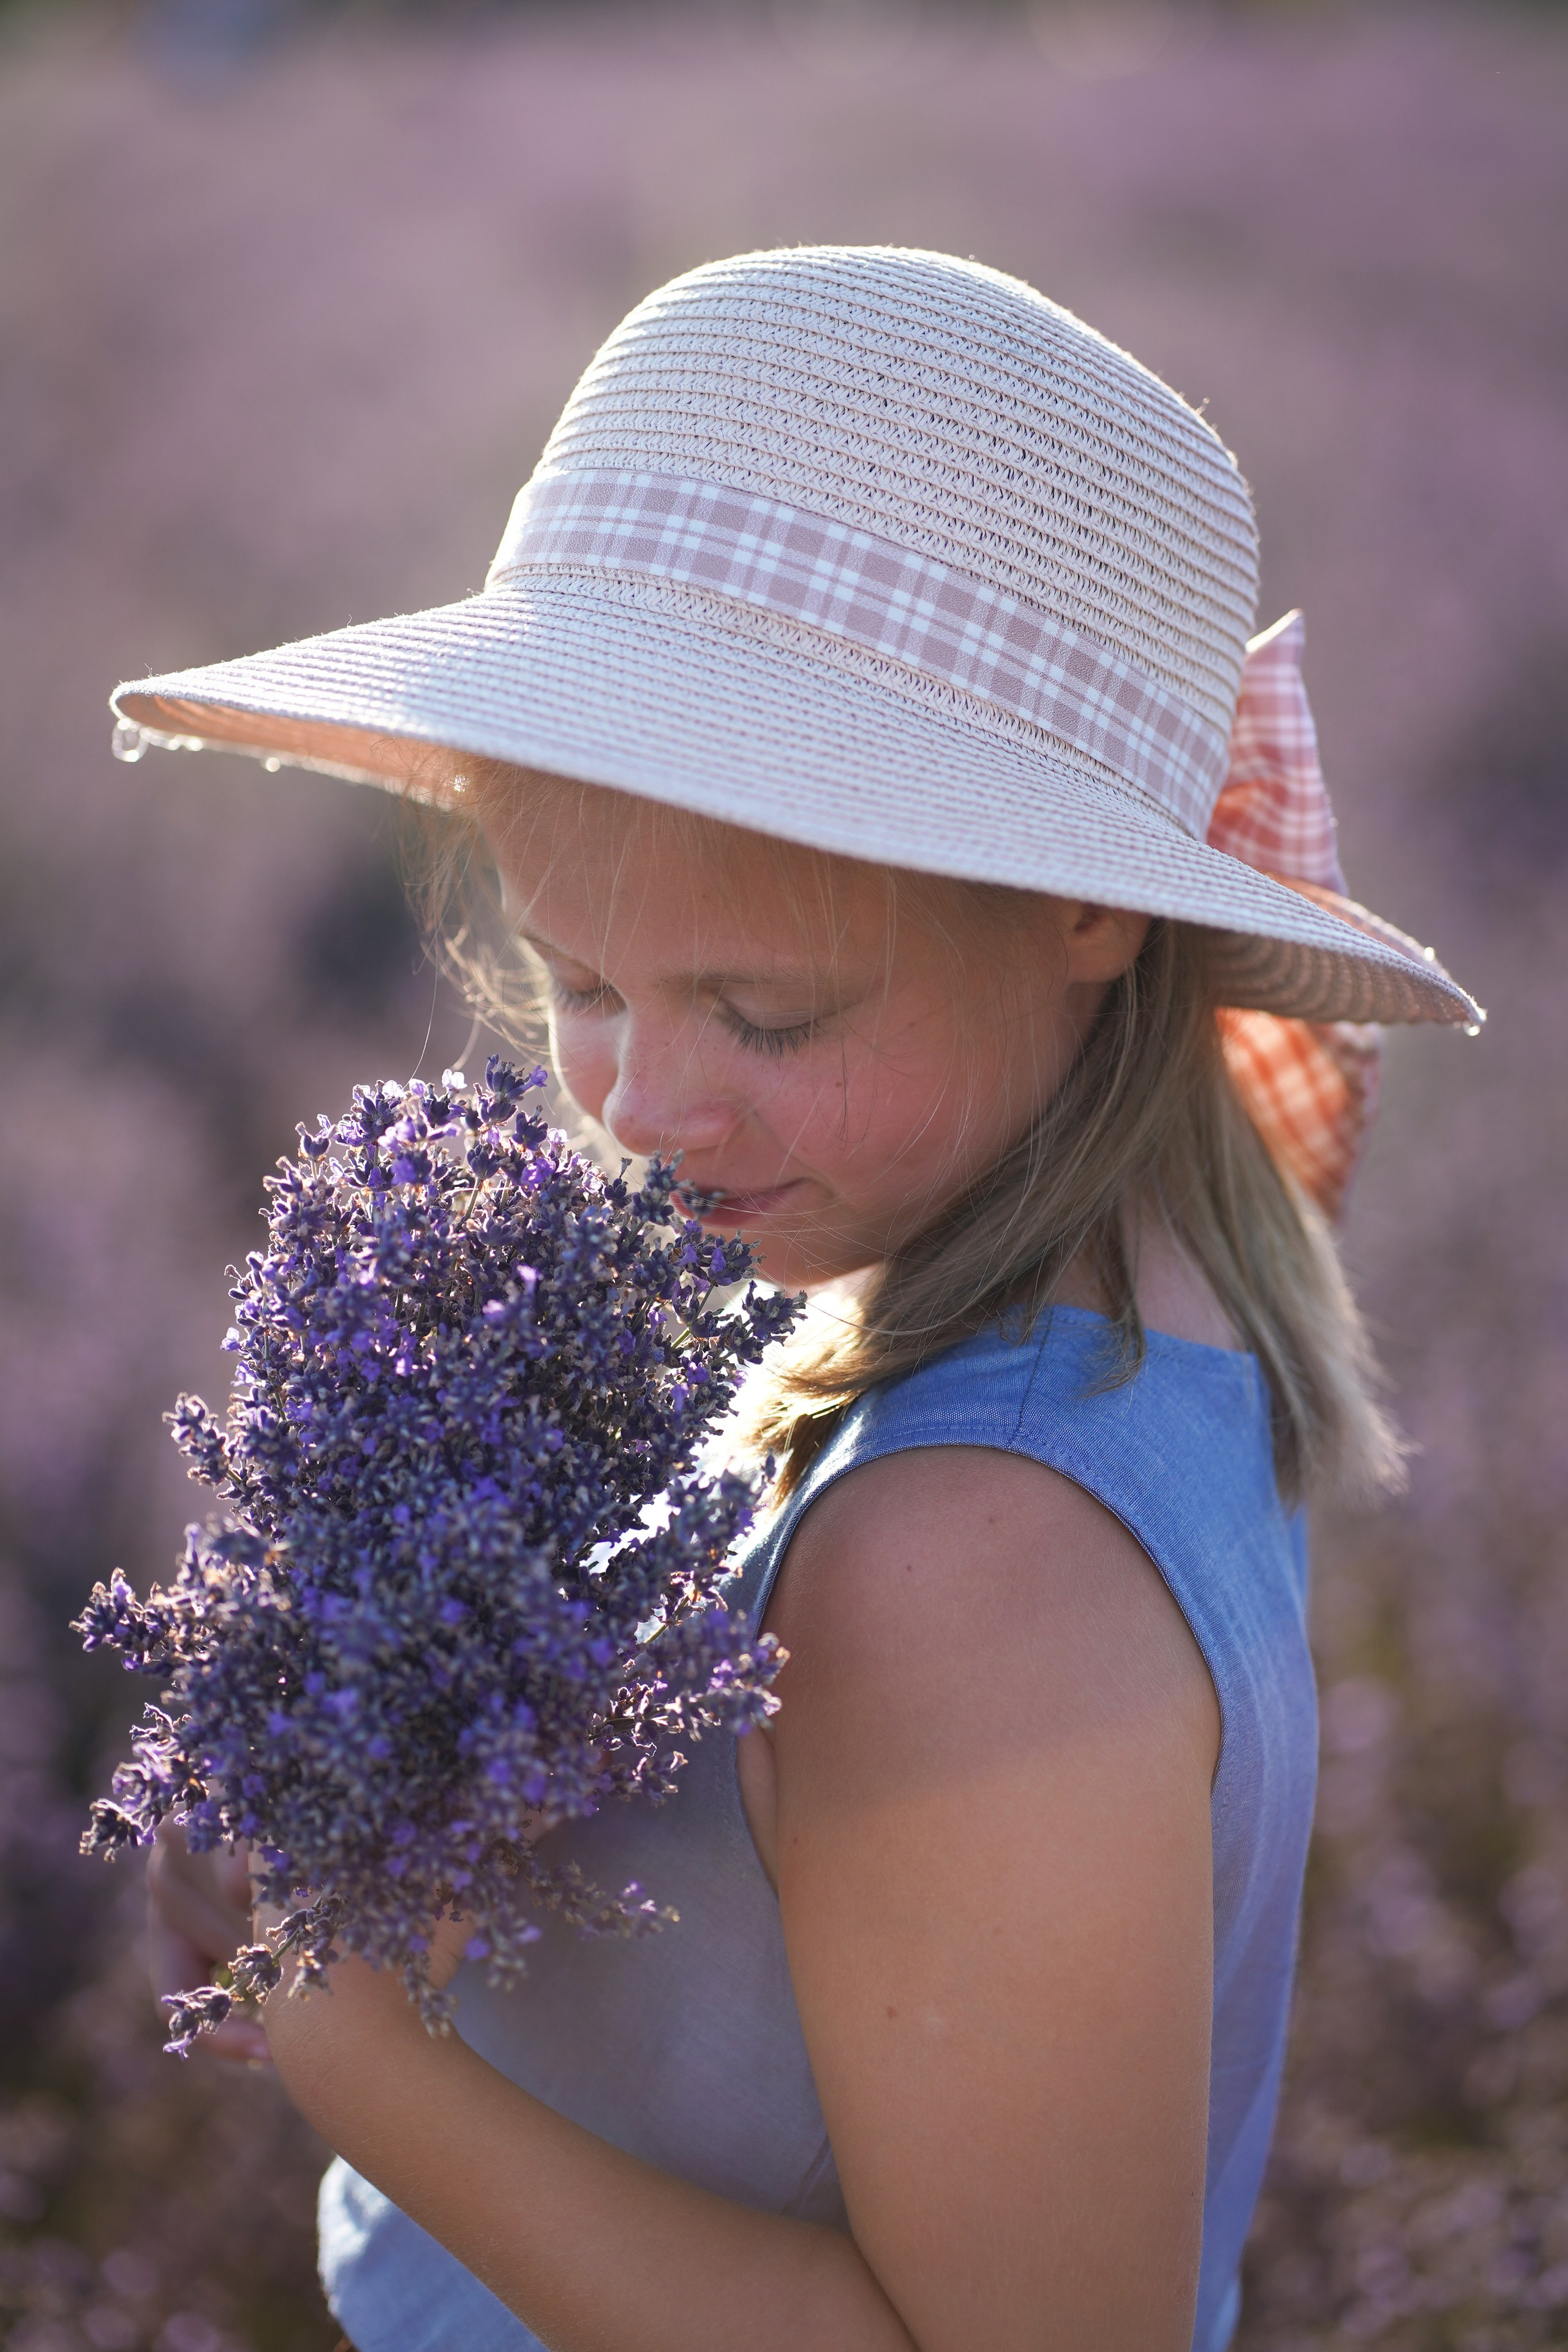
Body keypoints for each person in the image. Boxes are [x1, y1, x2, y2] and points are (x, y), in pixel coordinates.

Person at [120, 246, 1478, 2352]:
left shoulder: (973, 1562)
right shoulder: (1009, 1283)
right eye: (582, 982)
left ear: (1086, 907)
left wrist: (369, 2063)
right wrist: (360, 1850)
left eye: (764, 1007)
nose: (646, 1106)